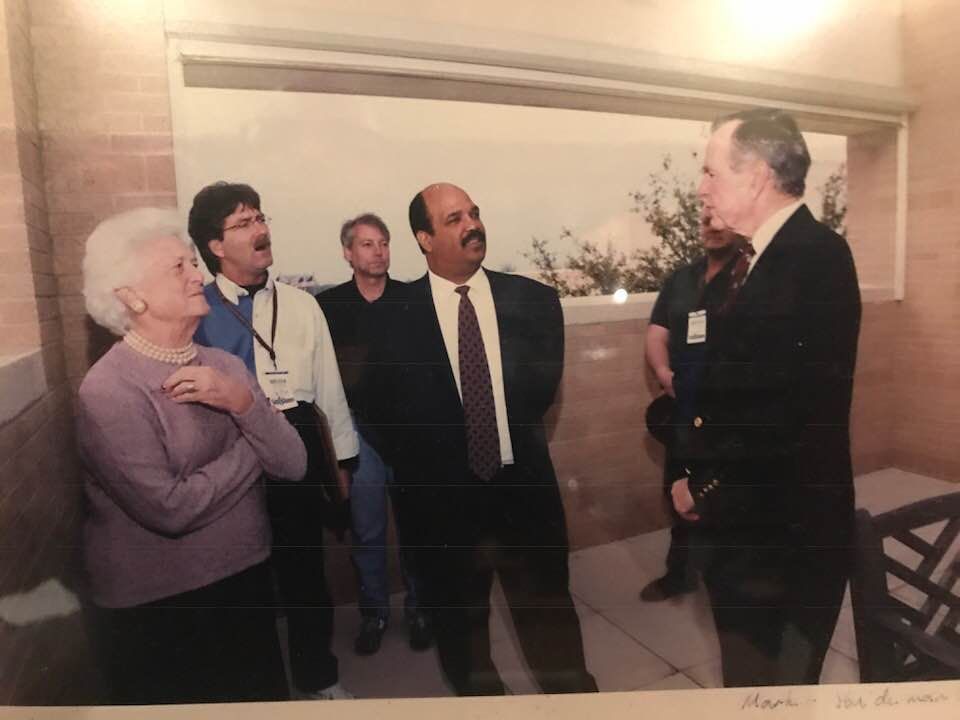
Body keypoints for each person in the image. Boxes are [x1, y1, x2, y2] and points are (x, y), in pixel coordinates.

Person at [366, 183, 598, 696]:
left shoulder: (534, 302)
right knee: (465, 652)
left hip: (524, 499)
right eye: (454, 219)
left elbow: (536, 396)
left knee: (555, 637)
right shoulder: (389, 318)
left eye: (474, 213)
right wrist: (436, 471)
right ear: (424, 238)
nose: (472, 224)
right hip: (443, 511)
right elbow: (380, 414)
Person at [76, 208, 307, 704]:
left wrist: (241, 403)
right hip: (160, 612)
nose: (199, 274)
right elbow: (171, 509)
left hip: (245, 585)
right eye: (178, 267)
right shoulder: (108, 391)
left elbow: (293, 463)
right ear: (130, 296)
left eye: (193, 263)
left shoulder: (225, 367)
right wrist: (255, 433)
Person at [674, 108, 861, 686]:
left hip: (783, 539)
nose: (701, 186)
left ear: (755, 175)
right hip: (755, 529)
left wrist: (699, 485)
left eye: (711, 172)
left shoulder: (814, 258)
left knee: (771, 690)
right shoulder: (759, 258)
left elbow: (782, 417)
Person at [190, 182, 359, 701]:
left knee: (306, 575)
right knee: (245, 583)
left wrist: (342, 466)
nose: (261, 230)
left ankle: (319, 679)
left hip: (298, 447)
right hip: (230, 457)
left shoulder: (302, 305)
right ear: (216, 246)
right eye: (243, 223)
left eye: (261, 218)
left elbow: (328, 385)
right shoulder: (196, 310)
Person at [317, 213, 432, 656]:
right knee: (367, 532)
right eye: (366, 244)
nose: (377, 251)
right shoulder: (330, 307)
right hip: (359, 436)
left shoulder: (412, 300)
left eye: (383, 243)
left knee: (416, 529)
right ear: (348, 253)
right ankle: (375, 613)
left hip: (410, 435)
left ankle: (421, 609)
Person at [640, 218, 745, 602]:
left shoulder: (749, 277)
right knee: (678, 486)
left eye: (723, 220)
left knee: (725, 489)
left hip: (730, 414)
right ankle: (680, 573)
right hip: (686, 407)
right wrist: (665, 374)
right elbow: (656, 332)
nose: (713, 227)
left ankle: (732, 576)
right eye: (705, 221)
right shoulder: (681, 280)